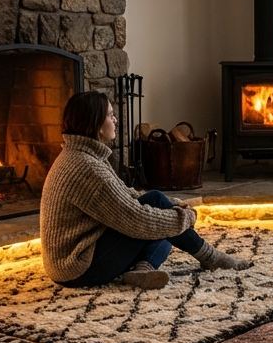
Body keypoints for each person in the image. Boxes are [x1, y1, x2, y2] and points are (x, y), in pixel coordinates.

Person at [40, 91, 251, 290]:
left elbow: (126, 195)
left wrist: (173, 207)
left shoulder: (82, 155)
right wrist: (183, 217)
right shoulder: (86, 167)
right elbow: (136, 219)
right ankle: (211, 258)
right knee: (158, 219)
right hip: (77, 268)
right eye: (111, 115)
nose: (115, 120)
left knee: (159, 213)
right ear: (94, 123)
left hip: (73, 261)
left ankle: (143, 269)